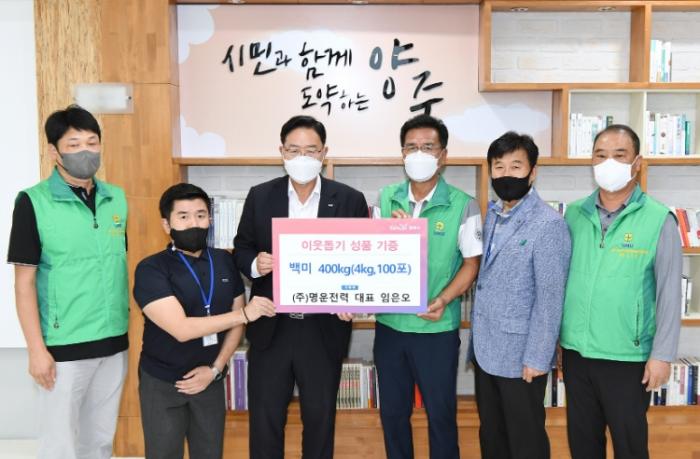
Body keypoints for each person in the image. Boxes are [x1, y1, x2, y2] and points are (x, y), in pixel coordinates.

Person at [232, 115, 369, 459]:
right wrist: (256, 263)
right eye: (294, 150)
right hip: (271, 325)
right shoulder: (260, 196)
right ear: (282, 151)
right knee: (265, 420)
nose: (302, 157)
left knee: (320, 420)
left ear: (324, 153)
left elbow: (362, 260)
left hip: (323, 328)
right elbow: (242, 247)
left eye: (311, 150)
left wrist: (351, 298)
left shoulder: (349, 199)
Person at [8, 105, 128, 459]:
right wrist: (36, 350)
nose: (85, 151)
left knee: (100, 442)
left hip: (113, 341)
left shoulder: (116, 198)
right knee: (59, 446)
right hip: (63, 347)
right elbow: (23, 283)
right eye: (74, 145)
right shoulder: (33, 202)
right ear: (54, 151)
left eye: (92, 142)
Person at [560, 124, 682, 459]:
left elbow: (670, 294)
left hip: (628, 357)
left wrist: (662, 355)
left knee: (629, 446)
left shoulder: (659, 219)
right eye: (601, 155)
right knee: (583, 444)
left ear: (637, 163)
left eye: (619, 155)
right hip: (577, 353)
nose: (608, 163)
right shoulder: (573, 215)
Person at [132, 183, 276, 459]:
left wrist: (216, 368)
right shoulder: (151, 268)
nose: (194, 223)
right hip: (163, 383)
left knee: (210, 453)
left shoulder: (224, 261)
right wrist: (244, 314)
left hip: (210, 380)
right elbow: (182, 329)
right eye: (183, 216)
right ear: (166, 224)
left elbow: (237, 325)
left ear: (210, 219)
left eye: (200, 215)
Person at [373, 114, 482, 459]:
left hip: (437, 328)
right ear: (402, 154)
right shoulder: (386, 198)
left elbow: (472, 264)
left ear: (443, 155)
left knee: (441, 415)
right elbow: (370, 258)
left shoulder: (463, 204)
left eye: (428, 147)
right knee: (393, 415)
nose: (419, 154)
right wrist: (392, 237)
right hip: (390, 327)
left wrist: (444, 299)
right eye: (412, 147)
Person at [468, 132, 571, 459]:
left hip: (522, 356)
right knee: (492, 436)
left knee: (525, 440)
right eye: (499, 167)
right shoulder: (492, 215)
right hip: (486, 350)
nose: (506, 174)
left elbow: (550, 297)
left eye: (516, 166)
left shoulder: (548, 224)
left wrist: (538, 357)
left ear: (533, 172)